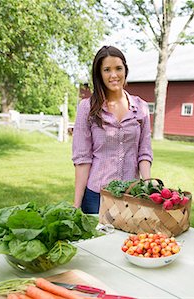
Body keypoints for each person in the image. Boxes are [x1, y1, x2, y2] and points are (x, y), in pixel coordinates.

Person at [72, 45, 153, 214]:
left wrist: (148, 186)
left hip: (132, 195)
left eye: (118, 68)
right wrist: (76, 205)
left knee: (130, 241)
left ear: (125, 70)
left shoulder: (141, 108)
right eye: (107, 70)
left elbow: (144, 153)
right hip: (97, 197)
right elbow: (82, 159)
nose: (114, 75)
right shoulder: (87, 108)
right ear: (99, 74)